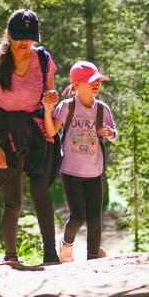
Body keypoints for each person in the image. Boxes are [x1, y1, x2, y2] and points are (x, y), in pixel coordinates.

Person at [0, 9, 61, 265]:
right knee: (12, 199)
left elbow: (49, 97)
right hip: (6, 132)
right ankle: (11, 256)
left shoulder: (44, 60)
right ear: (9, 35)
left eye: (30, 37)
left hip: (37, 130)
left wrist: (52, 99)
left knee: (40, 190)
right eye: (19, 37)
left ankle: (50, 255)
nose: (25, 42)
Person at [42, 60, 117, 262]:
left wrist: (109, 133)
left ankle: (93, 258)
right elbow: (51, 131)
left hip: (95, 171)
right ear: (76, 86)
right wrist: (48, 111)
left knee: (95, 218)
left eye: (98, 81)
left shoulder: (102, 109)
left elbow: (113, 133)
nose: (96, 84)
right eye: (90, 81)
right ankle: (66, 246)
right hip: (71, 171)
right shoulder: (67, 107)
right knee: (78, 216)